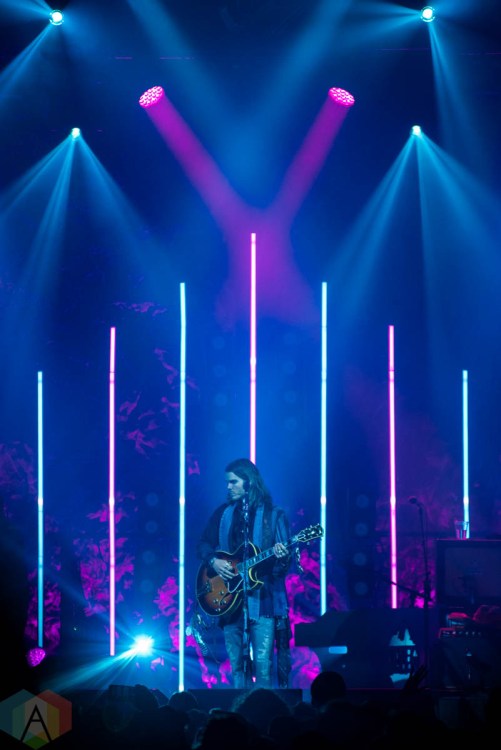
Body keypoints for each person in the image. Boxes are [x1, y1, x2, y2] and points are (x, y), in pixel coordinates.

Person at [197, 458, 291, 689]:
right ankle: (238, 706)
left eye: (233, 482)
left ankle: (263, 706)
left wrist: (282, 556)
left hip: (263, 599)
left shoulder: (273, 515)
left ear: (249, 482)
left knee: (263, 664)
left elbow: (282, 567)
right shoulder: (223, 514)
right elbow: (203, 544)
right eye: (227, 482)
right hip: (229, 601)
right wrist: (214, 561)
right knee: (236, 666)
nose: (228, 487)